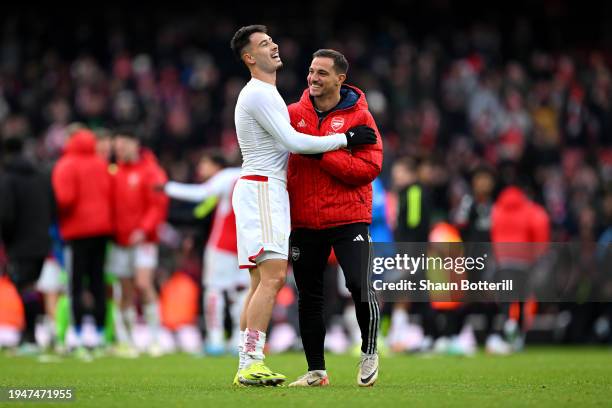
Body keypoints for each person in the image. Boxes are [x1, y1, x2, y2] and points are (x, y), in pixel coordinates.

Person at [229, 25, 377, 386]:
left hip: (263, 190)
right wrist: (344, 139)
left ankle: (247, 359)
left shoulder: (266, 93)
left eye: (272, 40)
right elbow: (294, 141)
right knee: (274, 276)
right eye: (264, 44)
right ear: (250, 57)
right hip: (264, 188)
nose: (274, 45)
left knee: (261, 281)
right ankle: (251, 361)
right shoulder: (261, 94)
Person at [284, 49, 383, 387]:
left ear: (341, 79)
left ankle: (369, 352)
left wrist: (319, 153)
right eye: (311, 71)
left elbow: (369, 169)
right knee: (309, 296)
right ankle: (316, 370)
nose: (313, 78)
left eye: (322, 73)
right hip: (305, 219)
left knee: (359, 284)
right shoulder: (292, 114)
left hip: (349, 217)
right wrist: (334, 146)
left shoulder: (362, 118)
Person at [163, 151, 248, 355]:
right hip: (248, 245)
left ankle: (216, 339)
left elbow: (201, 194)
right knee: (243, 292)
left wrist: (168, 187)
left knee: (215, 291)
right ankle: (239, 339)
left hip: (222, 245)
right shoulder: (262, 175)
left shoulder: (227, 176)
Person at [51, 128, 113, 357]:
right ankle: (98, 333)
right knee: (98, 282)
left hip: (76, 232)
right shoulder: (101, 163)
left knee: (75, 284)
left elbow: (64, 200)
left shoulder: (66, 164)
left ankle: (75, 333)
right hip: (102, 231)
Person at [108, 126, 168, 356]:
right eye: (117, 147)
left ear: (135, 144)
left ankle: (155, 339)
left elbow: (158, 204)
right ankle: (127, 340)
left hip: (144, 240)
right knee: (125, 291)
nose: (119, 150)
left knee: (143, 285)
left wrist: (144, 229)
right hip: (119, 240)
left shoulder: (151, 171)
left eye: (122, 146)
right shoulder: (114, 172)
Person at [0, 136, 53, 350]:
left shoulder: (8, 179)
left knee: (24, 287)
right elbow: (53, 207)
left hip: (20, 243)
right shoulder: (41, 176)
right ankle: (29, 334)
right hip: (41, 242)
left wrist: (7, 239)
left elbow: (6, 214)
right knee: (31, 287)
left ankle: (30, 336)